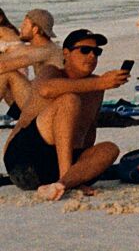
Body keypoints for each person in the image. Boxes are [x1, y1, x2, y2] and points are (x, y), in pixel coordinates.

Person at [4, 29, 129, 201]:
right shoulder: (52, 71)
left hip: (56, 169)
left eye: (96, 52)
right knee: (69, 100)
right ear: (66, 53)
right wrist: (99, 83)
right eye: (85, 50)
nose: (92, 56)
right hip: (24, 162)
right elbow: (45, 89)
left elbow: (89, 130)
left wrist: (85, 165)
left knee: (110, 149)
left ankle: (64, 183)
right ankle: (67, 177)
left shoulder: (96, 86)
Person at [0, 8, 57, 113]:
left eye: (25, 25)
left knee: (8, 73)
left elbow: (3, 66)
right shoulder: (38, 48)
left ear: (35, 29)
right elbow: (9, 57)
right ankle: (20, 118)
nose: (20, 28)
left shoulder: (44, 50)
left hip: (48, 109)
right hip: (43, 100)